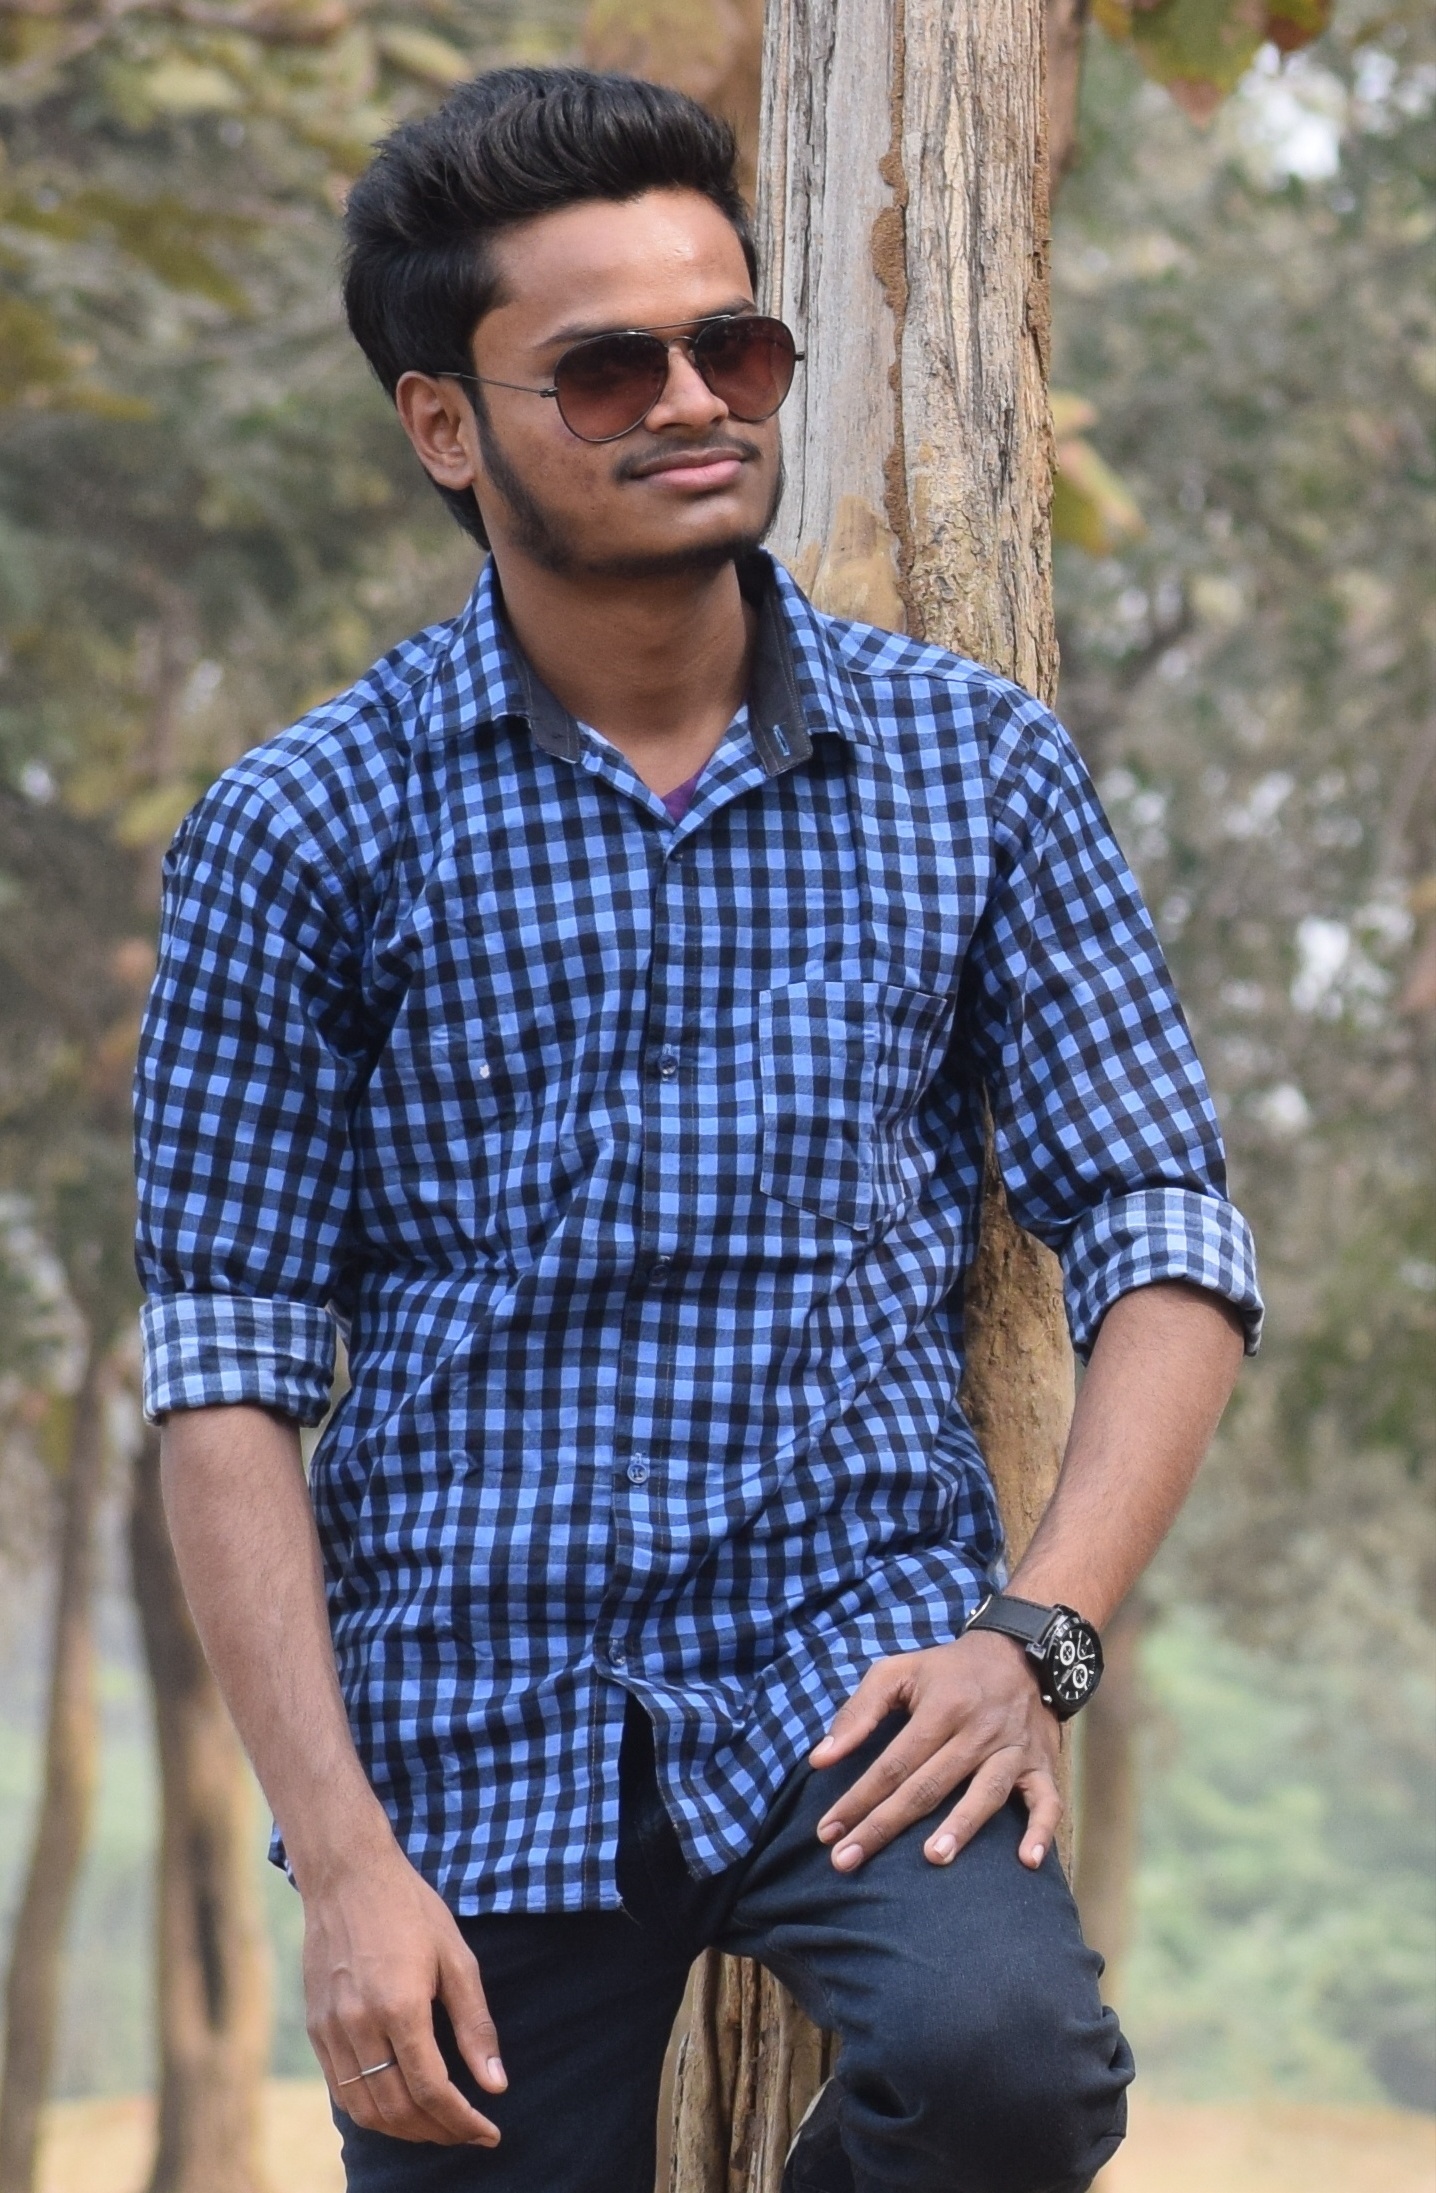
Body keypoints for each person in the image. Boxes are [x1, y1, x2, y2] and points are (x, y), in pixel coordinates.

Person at [134, 67, 1261, 2193]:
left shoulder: (973, 770)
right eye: (605, 366)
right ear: (443, 424)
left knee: (1008, 2064)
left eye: (730, 344)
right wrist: (343, 1860)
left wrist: (1035, 1636)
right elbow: (228, 1377)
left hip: (859, 1675)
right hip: (472, 1714)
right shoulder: (304, 827)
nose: (691, 401)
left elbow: (1167, 1229)